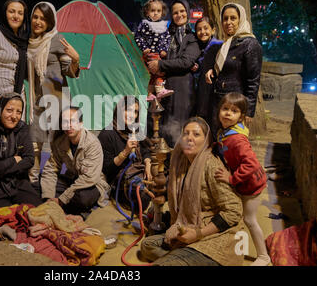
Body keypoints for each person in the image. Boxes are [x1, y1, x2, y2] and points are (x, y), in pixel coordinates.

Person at [140, 117, 244, 266]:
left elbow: (234, 211)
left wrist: (198, 234)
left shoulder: (211, 165)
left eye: (196, 134)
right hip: (190, 226)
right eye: (186, 134)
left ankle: (184, 258)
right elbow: (183, 197)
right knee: (147, 246)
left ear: (206, 140)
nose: (189, 138)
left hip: (217, 235)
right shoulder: (181, 163)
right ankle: (183, 257)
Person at [26, 1, 81, 182]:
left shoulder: (57, 40)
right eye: (35, 17)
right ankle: (33, 179)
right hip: (37, 99)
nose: (38, 22)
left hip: (58, 100)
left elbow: (69, 71)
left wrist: (75, 59)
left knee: (61, 143)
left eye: (43, 18)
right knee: (35, 142)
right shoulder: (29, 42)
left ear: (50, 22)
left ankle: (72, 175)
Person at [214, 92, 270, 266]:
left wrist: (232, 179)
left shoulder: (237, 139)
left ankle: (263, 256)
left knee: (249, 219)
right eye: (225, 109)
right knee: (240, 217)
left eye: (234, 111)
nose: (228, 113)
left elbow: (251, 165)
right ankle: (238, 249)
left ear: (241, 116)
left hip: (252, 185)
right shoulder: (226, 132)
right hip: (245, 182)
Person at [34, 106, 110, 216]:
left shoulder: (92, 144)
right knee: (38, 186)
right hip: (71, 178)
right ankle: (58, 204)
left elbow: (89, 178)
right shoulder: (60, 143)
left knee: (82, 198)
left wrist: (61, 199)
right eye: (65, 122)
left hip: (91, 183)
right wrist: (48, 197)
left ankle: (65, 206)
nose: (69, 125)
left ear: (80, 123)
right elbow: (50, 168)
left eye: (73, 121)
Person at [147, 0, 201, 148]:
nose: (179, 15)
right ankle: (162, 163)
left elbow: (186, 62)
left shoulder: (193, 38)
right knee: (162, 124)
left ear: (188, 12)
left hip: (183, 87)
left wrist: (160, 64)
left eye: (182, 11)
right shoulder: (165, 34)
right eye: (175, 12)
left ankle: (180, 163)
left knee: (180, 126)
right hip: (163, 86)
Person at [205, 3, 263, 135]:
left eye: (233, 18)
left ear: (240, 19)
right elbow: (227, 68)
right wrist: (213, 71)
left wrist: (248, 111)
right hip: (219, 102)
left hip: (235, 105)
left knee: (232, 142)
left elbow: (253, 80)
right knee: (217, 141)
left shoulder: (250, 44)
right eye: (225, 19)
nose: (228, 22)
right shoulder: (227, 43)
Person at [98, 95, 152, 211]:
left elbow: (146, 150)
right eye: (128, 110)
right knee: (142, 198)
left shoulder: (135, 130)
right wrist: (126, 151)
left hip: (139, 172)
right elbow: (106, 168)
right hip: (119, 181)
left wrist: (148, 164)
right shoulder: (107, 134)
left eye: (135, 111)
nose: (132, 115)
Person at [134, 0, 173, 101]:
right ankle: (160, 90)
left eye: (158, 11)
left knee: (153, 75)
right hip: (150, 53)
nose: (155, 13)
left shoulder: (163, 26)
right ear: (147, 12)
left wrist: (164, 49)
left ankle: (150, 93)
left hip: (159, 54)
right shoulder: (145, 24)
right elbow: (138, 37)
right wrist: (144, 47)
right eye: (153, 11)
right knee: (160, 71)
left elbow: (167, 39)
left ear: (162, 12)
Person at [191, 16, 223, 121]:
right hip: (202, 88)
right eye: (199, 29)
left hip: (211, 89)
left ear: (213, 30)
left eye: (205, 28)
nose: (202, 32)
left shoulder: (217, 45)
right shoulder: (200, 46)